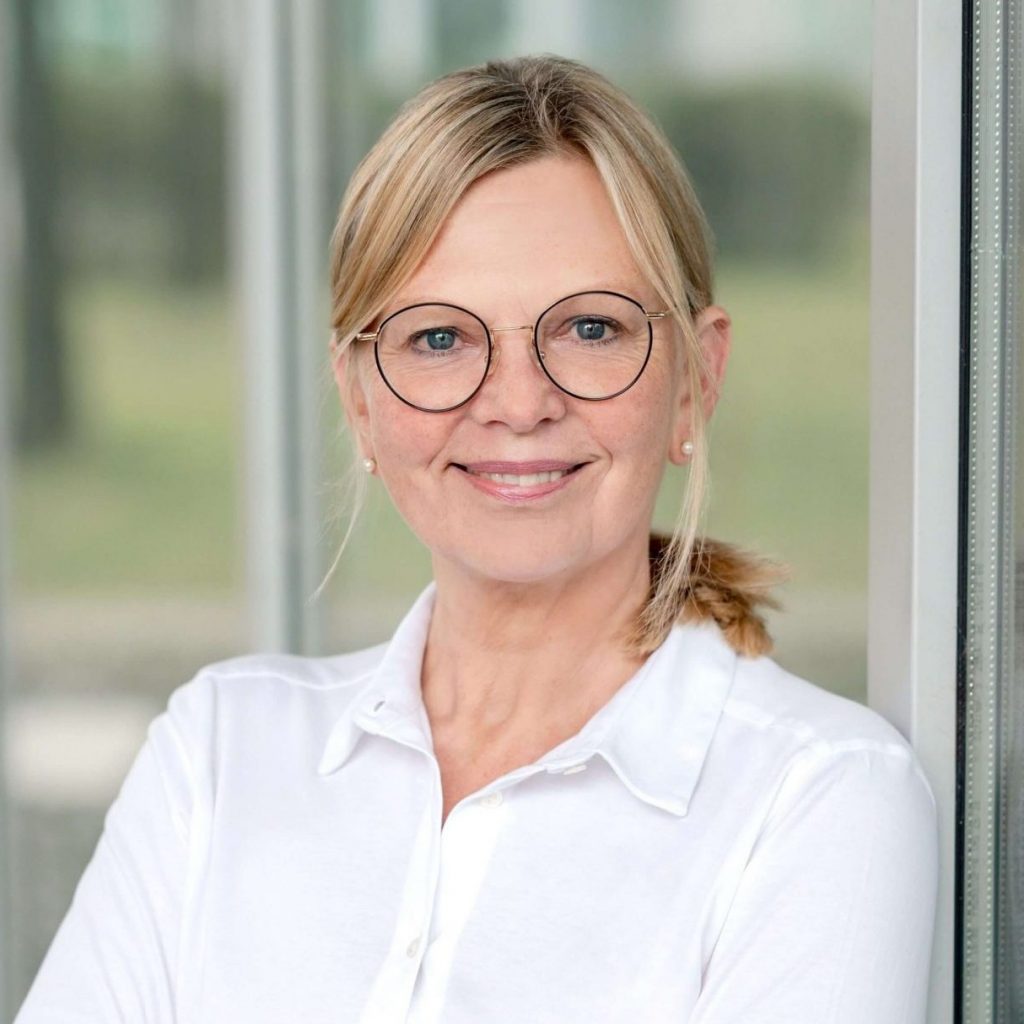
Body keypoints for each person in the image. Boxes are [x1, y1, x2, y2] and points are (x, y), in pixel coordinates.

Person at [16, 55, 938, 1023]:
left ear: (694, 381)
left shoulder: (821, 803)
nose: (517, 402)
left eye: (589, 327)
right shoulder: (217, 755)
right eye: (441, 339)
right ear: (359, 399)